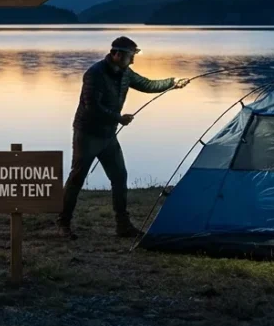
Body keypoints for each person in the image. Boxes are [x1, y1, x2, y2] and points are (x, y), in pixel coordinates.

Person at [57, 36, 190, 239]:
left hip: (108, 136)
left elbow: (146, 84)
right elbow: (91, 105)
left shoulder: (125, 72)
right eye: (130, 56)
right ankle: (63, 224)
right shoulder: (94, 74)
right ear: (117, 54)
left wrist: (172, 83)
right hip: (87, 134)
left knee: (119, 177)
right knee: (77, 178)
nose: (133, 60)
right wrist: (118, 118)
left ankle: (123, 225)